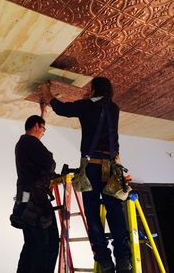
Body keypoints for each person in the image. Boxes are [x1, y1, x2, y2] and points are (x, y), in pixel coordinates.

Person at [41, 77, 132, 273]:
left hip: (91, 167)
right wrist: (89, 99)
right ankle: (123, 260)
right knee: (115, 213)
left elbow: (61, 109)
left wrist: (47, 92)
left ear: (93, 89)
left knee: (92, 214)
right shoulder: (114, 108)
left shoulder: (85, 106)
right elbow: (97, 108)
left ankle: (104, 260)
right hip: (112, 167)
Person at [11, 115, 59, 273]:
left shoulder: (22, 144)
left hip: (26, 203)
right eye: (43, 129)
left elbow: (38, 166)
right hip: (35, 202)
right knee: (46, 246)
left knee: (31, 245)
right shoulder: (30, 141)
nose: (43, 133)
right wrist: (50, 170)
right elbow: (48, 162)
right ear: (37, 126)